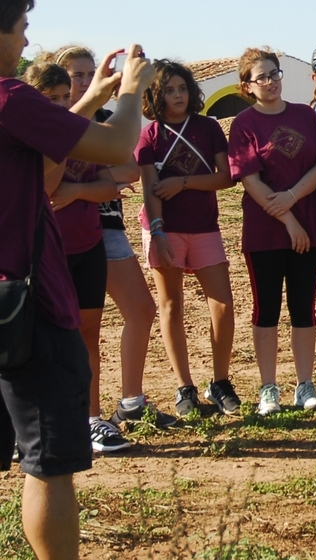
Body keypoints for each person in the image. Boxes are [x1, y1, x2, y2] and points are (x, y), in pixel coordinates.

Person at [0, 0, 154, 552]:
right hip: (27, 307)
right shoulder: (9, 96)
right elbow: (116, 146)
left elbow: (41, 163)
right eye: (21, 29)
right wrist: (134, 88)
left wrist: (91, 98)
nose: (23, 45)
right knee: (48, 465)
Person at [48, 44, 163, 444]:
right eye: (74, 75)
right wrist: (100, 182)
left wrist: (83, 188)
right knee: (60, 333)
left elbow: (128, 169)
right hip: (58, 238)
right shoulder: (45, 120)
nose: (82, 82)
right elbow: (48, 185)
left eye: (87, 73)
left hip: (103, 230)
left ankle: (120, 404)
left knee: (128, 315)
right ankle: (80, 415)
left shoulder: (101, 119)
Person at [228, 47, 316, 415]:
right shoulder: (243, 124)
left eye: (275, 74)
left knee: (303, 307)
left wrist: (291, 197)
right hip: (266, 230)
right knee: (266, 308)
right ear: (247, 86)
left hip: (308, 224)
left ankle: (305, 385)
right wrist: (288, 218)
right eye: (262, 77)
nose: (271, 82)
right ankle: (268, 388)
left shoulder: (304, 115)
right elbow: (249, 180)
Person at [137, 60, 239, 416]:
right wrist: (159, 231)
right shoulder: (149, 135)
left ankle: (220, 380)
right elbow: (149, 190)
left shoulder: (208, 127)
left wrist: (182, 182)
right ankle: (185, 388)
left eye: (182, 88)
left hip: (205, 226)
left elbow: (225, 176)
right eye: (169, 90)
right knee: (171, 306)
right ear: (156, 95)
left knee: (223, 306)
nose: (177, 96)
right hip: (164, 229)